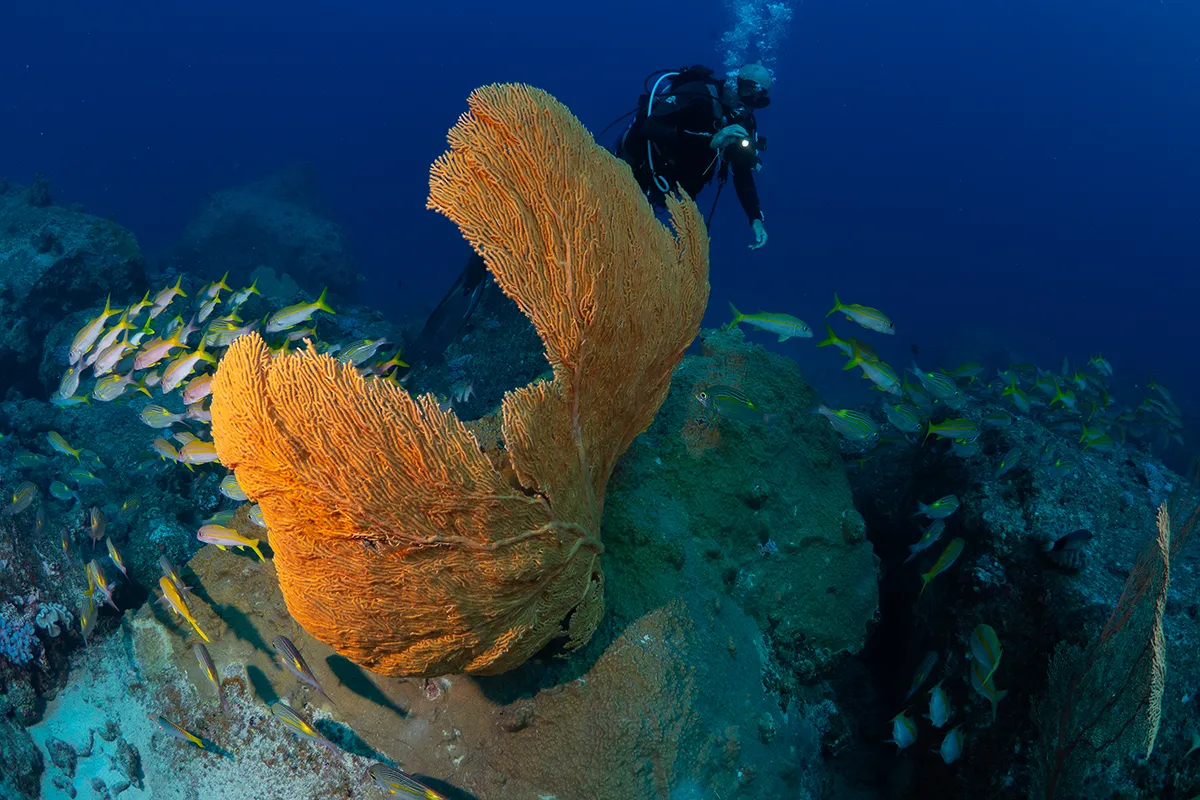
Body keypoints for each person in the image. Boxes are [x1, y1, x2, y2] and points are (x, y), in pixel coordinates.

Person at [614, 63, 773, 250]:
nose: (749, 106)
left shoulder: (743, 123)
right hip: (638, 169)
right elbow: (650, 127)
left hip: (672, 187)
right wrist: (709, 141)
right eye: (747, 94)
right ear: (735, 83)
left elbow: (742, 171)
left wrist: (755, 217)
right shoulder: (698, 93)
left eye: (757, 102)